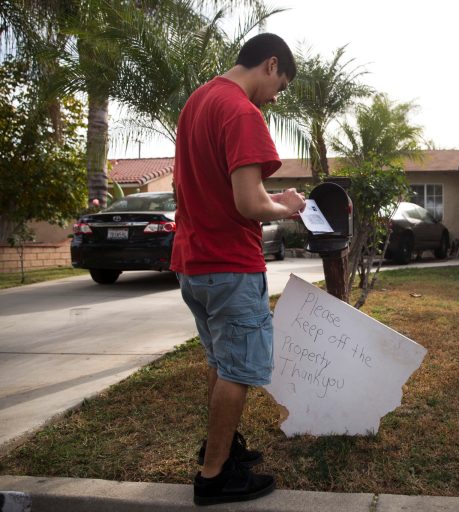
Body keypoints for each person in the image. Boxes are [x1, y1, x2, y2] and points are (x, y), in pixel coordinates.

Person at [171, 33, 306, 506]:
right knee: (242, 370)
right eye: (281, 86)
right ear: (270, 65)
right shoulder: (243, 112)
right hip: (230, 263)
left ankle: (221, 450)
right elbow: (249, 202)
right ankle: (214, 478)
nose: (275, 97)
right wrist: (288, 207)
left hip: (193, 263)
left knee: (221, 363)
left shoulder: (197, 103)